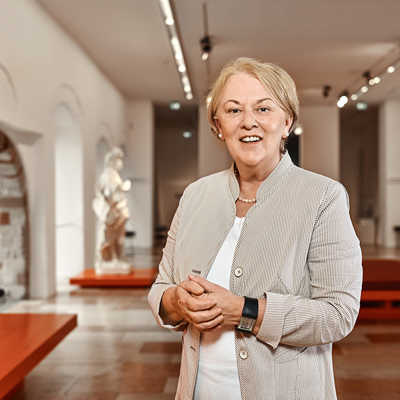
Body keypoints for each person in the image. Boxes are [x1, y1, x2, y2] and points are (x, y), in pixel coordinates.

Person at [148, 57, 362, 400]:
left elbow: (338, 315)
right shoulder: (195, 196)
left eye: (264, 109)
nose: (249, 122)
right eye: (233, 111)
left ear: (286, 121)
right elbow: (161, 289)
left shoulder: (323, 197)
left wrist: (246, 310)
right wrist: (175, 302)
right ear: (218, 125)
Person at [93, 146, 131, 274]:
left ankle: (116, 259)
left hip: (118, 210)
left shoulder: (114, 174)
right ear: (112, 161)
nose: (120, 162)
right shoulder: (107, 175)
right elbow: (107, 193)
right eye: (118, 159)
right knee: (112, 237)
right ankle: (112, 259)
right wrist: (121, 188)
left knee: (118, 237)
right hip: (113, 211)